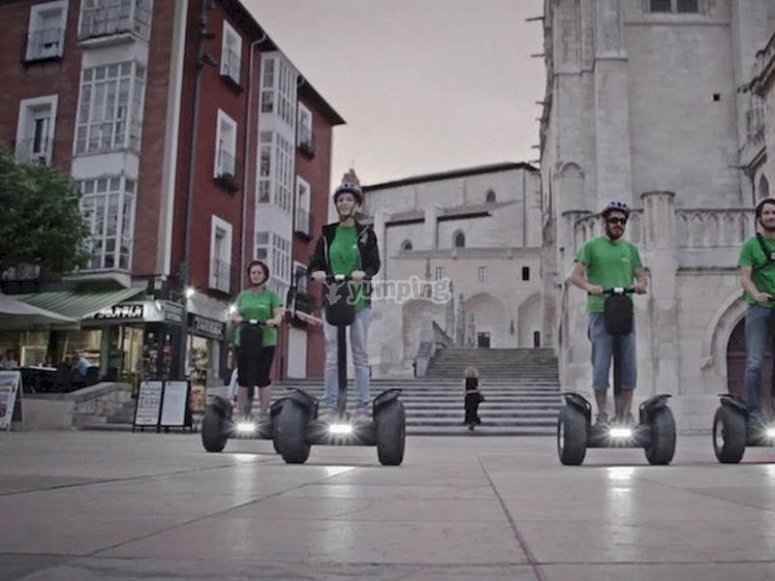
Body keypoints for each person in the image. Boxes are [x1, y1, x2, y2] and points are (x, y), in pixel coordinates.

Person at [569, 200, 647, 426]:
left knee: (629, 365)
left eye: (622, 221)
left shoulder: (630, 250)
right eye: (614, 220)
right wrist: (590, 287)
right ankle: (602, 414)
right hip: (600, 311)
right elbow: (575, 276)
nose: (618, 224)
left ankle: (625, 414)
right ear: (604, 222)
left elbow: (641, 275)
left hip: (624, 312)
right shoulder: (591, 247)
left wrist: (641, 284)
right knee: (601, 364)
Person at [309, 181, 381, 423]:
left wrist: (365, 272)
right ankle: (331, 406)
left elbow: (374, 263)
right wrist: (317, 272)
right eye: (340, 200)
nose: (344, 203)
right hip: (333, 295)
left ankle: (362, 407)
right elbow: (315, 262)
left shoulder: (365, 234)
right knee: (332, 354)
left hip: (359, 298)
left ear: (357, 205)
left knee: (359, 353)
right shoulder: (328, 234)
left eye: (349, 199)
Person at [738, 197, 775, 424]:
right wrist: (756, 295)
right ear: (759, 219)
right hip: (759, 308)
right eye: (767, 213)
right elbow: (745, 277)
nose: (771, 216)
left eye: (774, 213)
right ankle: (754, 413)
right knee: (754, 362)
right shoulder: (751, 246)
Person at [232, 260, 284, 421]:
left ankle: (263, 413)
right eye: (253, 273)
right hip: (244, 339)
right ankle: (241, 413)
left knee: (262, 377)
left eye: (259, 273)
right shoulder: (243, 295)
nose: (256, 276)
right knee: (243, 377)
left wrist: (274, 321)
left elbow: (278, 314)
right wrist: (237, 318)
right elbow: (234, 313)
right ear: (249, 276)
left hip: (265, 341)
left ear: (265, 275)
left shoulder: (271, 296)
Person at [463, 366, 484, 431]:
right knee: (474, 409)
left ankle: (470, 422)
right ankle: (475, 420)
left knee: (469, 410)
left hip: (469, 396)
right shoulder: (477, 380)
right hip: (475, 396)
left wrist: (465, 397)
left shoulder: (465, 381)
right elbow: (479, 389)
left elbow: (464, 390)